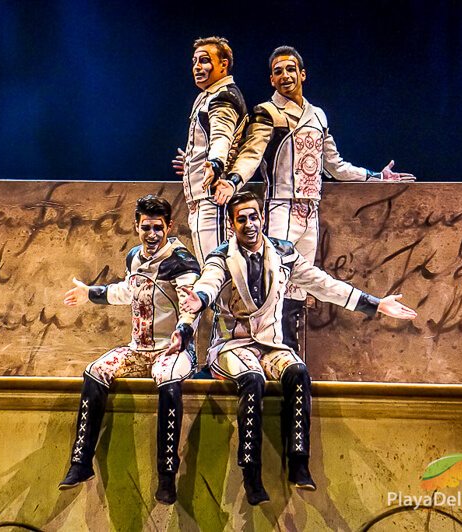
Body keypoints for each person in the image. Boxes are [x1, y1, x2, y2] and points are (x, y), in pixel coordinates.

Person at [166, 191, 416, 505]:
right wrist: (199, 299)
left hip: (270, 344)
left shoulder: (283, 252)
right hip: (232, 346)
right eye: (241, 218)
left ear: (262, 218)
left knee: (297, 371)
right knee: (252, 379)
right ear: (231, 225)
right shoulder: (221, 256)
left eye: (254, 216)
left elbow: (323, 284)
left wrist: (377, 304)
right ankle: (251, 471)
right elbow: (210, 282)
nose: (249, 224)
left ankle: (298, 462)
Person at [212, 45, 415, 353]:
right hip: (281, 207)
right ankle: (267, 354)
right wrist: (233, 179)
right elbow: (251, 154)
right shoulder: (268, 113)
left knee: (300, 288)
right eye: (278, 71)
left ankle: (292, 356)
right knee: (276, 283)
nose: (285, 76)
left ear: (302, 74)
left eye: (290, 69)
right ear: (271, 79)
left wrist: (376, 177)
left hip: (311, 211)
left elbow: (335, 165)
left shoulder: (317, 115)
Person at [58, 195, 200, 505]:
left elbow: (191, 303)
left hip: (172, 350)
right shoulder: (134, 257)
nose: (152, 235)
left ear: (169, 227)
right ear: (136, 226)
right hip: (139, 349)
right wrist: (89, 294)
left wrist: (183, 331)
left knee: (168, 381)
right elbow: (127, 291)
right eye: (146, 227)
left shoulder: (181, 260)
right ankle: (81, 462)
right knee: (96, 371)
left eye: (158, 228)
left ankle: (167, 475)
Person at [172, 36, 247, 265]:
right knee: (210, 270)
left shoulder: (223, 96)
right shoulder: (208, 96)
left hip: (213, 199)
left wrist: (214, 164)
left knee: (215, 272)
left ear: (223, 64)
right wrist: (191, 162)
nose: (197, 67)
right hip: (202, 199)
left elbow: (221, 138)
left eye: (205, 60)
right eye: (194, 61)